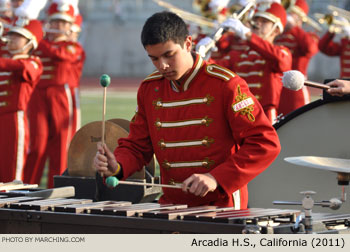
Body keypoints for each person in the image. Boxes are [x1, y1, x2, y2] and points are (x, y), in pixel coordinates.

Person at [93, 11, 281, 209]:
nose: (163, 66)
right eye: (154, 59)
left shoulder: (226, 85)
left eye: (169, 55)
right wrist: (118, 166)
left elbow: (265, 143)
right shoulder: (150, 89)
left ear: (188, 43)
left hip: (221, 206)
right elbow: (138, 146)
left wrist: (216, 177)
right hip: (171, 205)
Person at [197, 2, 292, 123]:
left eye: (264, 21)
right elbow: (216, 69)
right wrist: (204, 57)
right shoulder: (239, 55)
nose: (257, 23)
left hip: (266, 115)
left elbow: (280, 60)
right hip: (240, 114)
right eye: (256, 19)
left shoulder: (281, 52)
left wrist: (247, 34)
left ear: (276, 29)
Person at [23, 1, 83, 188]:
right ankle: (27, 186)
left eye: (64, 23)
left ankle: (57, 189)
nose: (58, 27)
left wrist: (39, 39)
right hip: (38, 96)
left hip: (60, 96)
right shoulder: (39, 43)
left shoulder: (72, 46)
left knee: (61, 145)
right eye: (55, 22)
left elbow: (64, 56)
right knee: (37, 145)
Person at [0, 18, 43, 182]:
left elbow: (20, 67)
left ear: (30, 42)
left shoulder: (33, 62)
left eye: (17, 36)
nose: (11, 39)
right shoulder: (5, 60)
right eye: (10, 35)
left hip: (13, 119)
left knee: (12, 172)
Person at [275, 0, 319, 116]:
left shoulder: (307, 35)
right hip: (279, 86)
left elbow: (311, 49)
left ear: (300, 17)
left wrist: (295, 27)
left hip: (297, 87)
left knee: (299, 119)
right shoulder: (280, 35)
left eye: (292, 13)